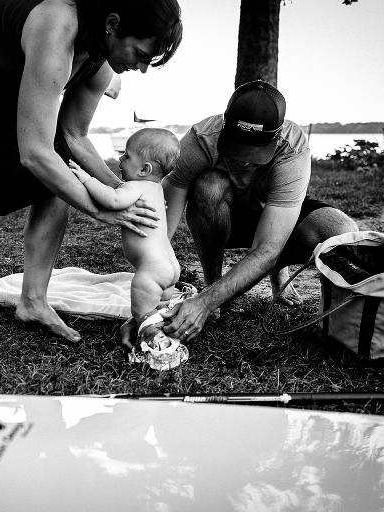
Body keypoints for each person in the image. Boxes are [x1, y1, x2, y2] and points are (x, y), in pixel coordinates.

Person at [0, 0, 183, 351]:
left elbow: (74, 137)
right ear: (112, 23)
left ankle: (33, 302)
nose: (142, 68)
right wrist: (102, 210)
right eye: (141, 54)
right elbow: (34, 153)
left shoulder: (99, 64)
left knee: (55, 184)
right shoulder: (59, 25)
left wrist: (126, 192)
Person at [122, 80, 358, 346]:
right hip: (222, 214)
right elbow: (162, 222)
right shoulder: (201, 139)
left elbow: (267, 247)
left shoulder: (292, 148)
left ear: (276, 137)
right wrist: (147, 303)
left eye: (255, 151)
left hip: (273, 216)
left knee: (341, 231)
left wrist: (203, 304)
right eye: (238, 147)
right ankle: (213, 281)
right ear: (225, 125)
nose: (244, 160)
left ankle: (274, 272)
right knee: (209, 186)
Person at [69, 128, 181, 340]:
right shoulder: (156, 189)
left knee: (143, 316)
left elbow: (112, 200)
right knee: (159, 311)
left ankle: (156, 348)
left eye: (127, 156)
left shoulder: (135, 186)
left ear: (144, 169)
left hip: (152, 270)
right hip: (170, 267)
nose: (121, 158)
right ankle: (164, 332)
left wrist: (87, 179)